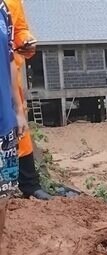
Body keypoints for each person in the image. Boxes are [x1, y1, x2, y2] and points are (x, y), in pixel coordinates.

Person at [6, 0, 50, 200]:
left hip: (8, 72)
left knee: (18, 126)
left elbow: (20, 29)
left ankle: (29, 184)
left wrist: (26, 41)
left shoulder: (13, 1)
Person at [0, 0, 28, 241]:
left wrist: (18, 110)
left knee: (3, 196)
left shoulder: (4, 10)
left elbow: (10, 61)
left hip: (4, 120)